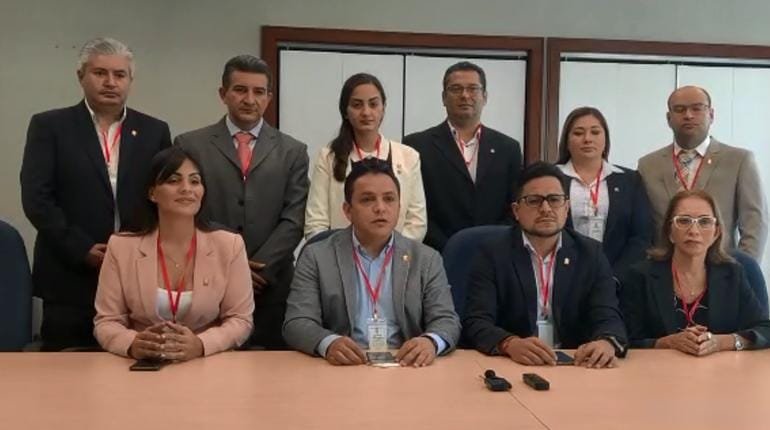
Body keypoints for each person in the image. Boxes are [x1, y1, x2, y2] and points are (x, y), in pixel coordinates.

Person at [20, 37, 171, 351]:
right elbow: (37, 199)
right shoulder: (50, 126)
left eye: (120, 74)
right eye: (100, 73)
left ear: (130, 80)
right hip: (70, 276)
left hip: (136, 274)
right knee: (67, 370)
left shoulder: (154, 131)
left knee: (133, 363)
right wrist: (82, 248)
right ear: (81, 76)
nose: (110, 82)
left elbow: (163, 198)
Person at [175, 55, 309, 349]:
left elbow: (294, 218)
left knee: (273, 369)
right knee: (210, 364)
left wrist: (260, 267)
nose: (250, 99)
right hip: (209, 278)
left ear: (269, 97)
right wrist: (232, 263)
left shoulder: (293, 151)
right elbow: (186, 211)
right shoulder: (191, 145)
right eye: (240, 90)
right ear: (223, 94)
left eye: (259, 91)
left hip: (272, 283)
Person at [284, 158, 460, 366]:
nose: (380, 208)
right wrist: (328, 343)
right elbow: (297, 322)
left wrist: (430, 342)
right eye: (367, 200)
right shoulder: (317, 256)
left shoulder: (426, 259)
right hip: (344, 366)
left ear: (399, 207)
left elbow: (446, 320)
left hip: (405, 365)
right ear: (348, 210)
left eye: (389, 199)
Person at [94, 147, 254, 360]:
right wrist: (132, 343)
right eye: (173, 181)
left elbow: (240, 320)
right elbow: (107, 321)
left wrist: (201, 344)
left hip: (208, 363)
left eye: (195, 181)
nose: (186, 189)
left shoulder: (229, 245)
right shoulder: (121, 246)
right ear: (152, 193)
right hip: (143, 365)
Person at [463, 162, 627, 368]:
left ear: (566, 207)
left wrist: (606, 342)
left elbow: (608, 315)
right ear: (516, 210)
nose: (546, 209)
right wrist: (509, 343)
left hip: (575, 364)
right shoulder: (492, 253)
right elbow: (476, 321)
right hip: (513, 364)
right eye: (534, 201)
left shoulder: (590, 254)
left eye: (554, 200)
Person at [620, 190, 769, 354]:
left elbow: (764, 330)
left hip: (721, 368)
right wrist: (666, 343)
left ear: (716, 233)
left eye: (704, 222)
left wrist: (722, 342)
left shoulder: (733, 274)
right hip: (661, 368)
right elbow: (625, 340)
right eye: (684, 221)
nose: (694, 231)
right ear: (669, 231)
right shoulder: (641, 276)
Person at [403, 61, 521, 252]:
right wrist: (449, 247)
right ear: (444, 97)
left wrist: (491, 245)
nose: (465, 95)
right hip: (436, 253)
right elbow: (413, 207)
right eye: (456, 89)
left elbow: (515, 206)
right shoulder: (416, 146)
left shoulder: (508, 148)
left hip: (495, 254)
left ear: (485, 97)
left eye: (473, 88)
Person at [638, 85, 767, 259]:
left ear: (711, 115)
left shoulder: (739, 160)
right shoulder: (648, 165)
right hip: (664, 267)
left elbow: (755, 222)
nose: (688, 115)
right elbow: (641, 226)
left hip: (721, 265)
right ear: (669, 118)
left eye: (697, 108)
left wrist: (743, 267)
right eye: (680, 109)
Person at [304, 73, 426, 241]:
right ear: (345, 112)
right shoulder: (328, 157)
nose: (366, 112)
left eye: (373, 104)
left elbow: (417, 223)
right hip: (339, 253)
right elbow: (315, 223)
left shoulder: (408, 157)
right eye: (357, 105)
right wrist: (333, 253)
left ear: (383, 109)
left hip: (396, 254)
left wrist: (391, 252)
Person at [556, 107, 652, 275]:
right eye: (578, 133)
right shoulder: (550, 178)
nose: (587, 139)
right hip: (561, 274)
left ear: (605, 139)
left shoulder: (629, 180)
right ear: (567, 141)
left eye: (595, 132)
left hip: (617, 277)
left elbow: (641, 236)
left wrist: (614, 277)